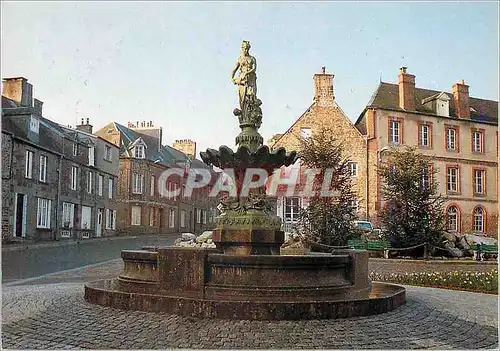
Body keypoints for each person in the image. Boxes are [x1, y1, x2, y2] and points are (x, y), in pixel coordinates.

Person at [231, 40, 257, 110]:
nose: (245, 50)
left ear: (248, 49)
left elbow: (254, 68)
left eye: (246, 48)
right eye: (243, 48)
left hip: (251, 80)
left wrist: (246, 73)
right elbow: (234, 69)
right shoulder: (240, 59)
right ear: (241, 48)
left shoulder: (252, 58)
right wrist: (232, 78)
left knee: (251, 96)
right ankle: (244, 114)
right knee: (242, 99)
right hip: (242, 80)